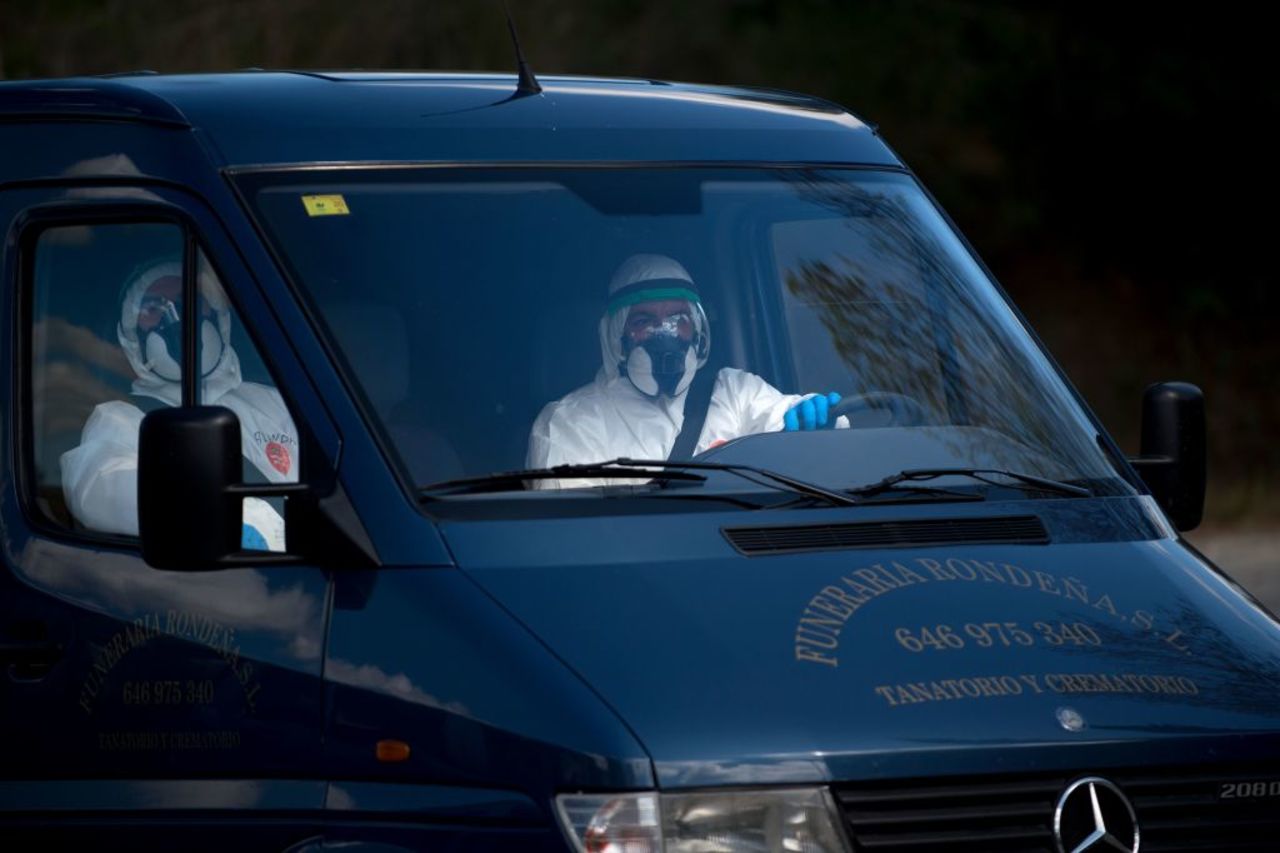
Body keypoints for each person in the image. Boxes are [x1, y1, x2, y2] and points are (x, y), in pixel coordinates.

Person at [527, 253, 844, 488]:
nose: (665, 334)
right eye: (644, 321)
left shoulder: (733, 392)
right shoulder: (572, 424)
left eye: (678, 319)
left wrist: (817, 421)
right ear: (616, 335)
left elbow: (783, 417)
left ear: (697, 327)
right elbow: (579, 539)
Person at [60, 258, 298, 550]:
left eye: (189, 301)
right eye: (152, 308)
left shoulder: (273, 402)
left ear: (218, 317)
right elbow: (99, 487)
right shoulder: (122, 421)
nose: (175, 319)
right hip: (240, 584)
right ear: (132, 334)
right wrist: (239, 518)